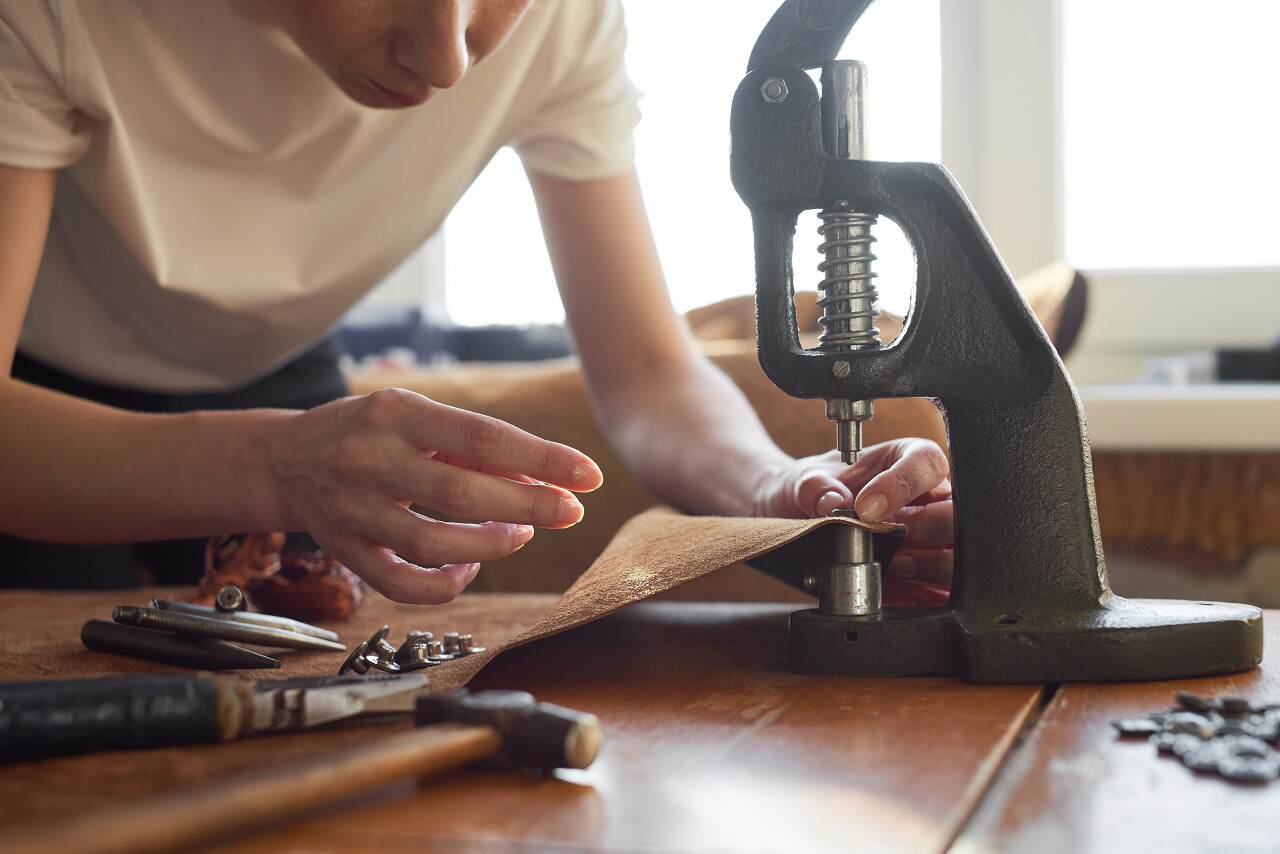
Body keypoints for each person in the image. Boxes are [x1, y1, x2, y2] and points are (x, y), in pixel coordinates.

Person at [0, 0, 953, 603]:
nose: (449, 56)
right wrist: (284, 466)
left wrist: (778, 487)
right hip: (41, 404)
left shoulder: (564, 20)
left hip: (285, 382)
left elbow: (645, 369)